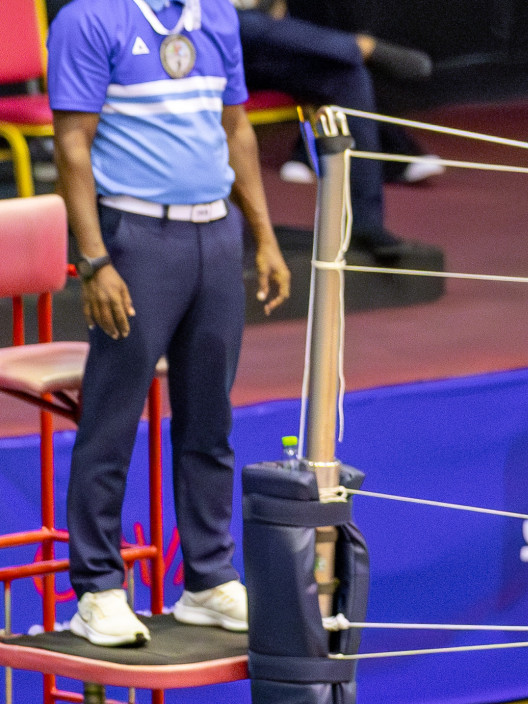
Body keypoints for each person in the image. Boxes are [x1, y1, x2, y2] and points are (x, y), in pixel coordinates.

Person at [48, 0, 292, 646]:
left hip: (215, 238)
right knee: (112, 419)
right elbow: (71, 143)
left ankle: (209, 580)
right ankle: (98, 588)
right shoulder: (88, 19)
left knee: (209, 420)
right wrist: (94, 258)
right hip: (135, 241)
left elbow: (237, 129)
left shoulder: (217, 15)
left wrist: (264, 237)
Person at [234, 0, 437, 257]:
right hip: (198, 51)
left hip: (260, 47)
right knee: (234, 19)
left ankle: (365, 222)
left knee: (348, 75)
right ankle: (358, 46)